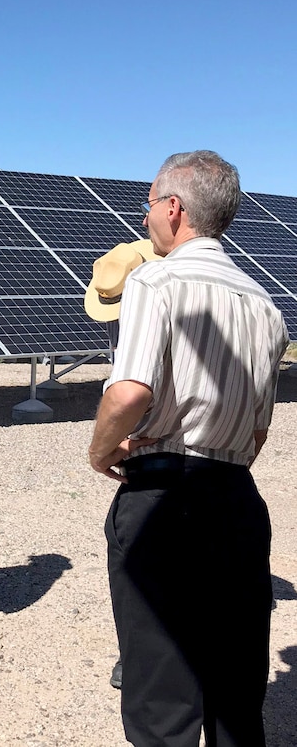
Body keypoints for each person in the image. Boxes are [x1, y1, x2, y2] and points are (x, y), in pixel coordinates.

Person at [88, 151, 288, 747]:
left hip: (163, 497)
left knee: (162, 692)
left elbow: (130, 391)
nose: (147, 214)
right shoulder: (265, 306)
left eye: (150, 202)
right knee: (234, 688)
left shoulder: (157, 279)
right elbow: (257, 433)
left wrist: (100, 452)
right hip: (236, 500)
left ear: (174, 209)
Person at [83, 238, 162, 690]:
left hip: (157, 460)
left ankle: (139, 658)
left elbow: (128, 392)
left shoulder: (161, 307)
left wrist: (101, 450)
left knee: (138, 557)